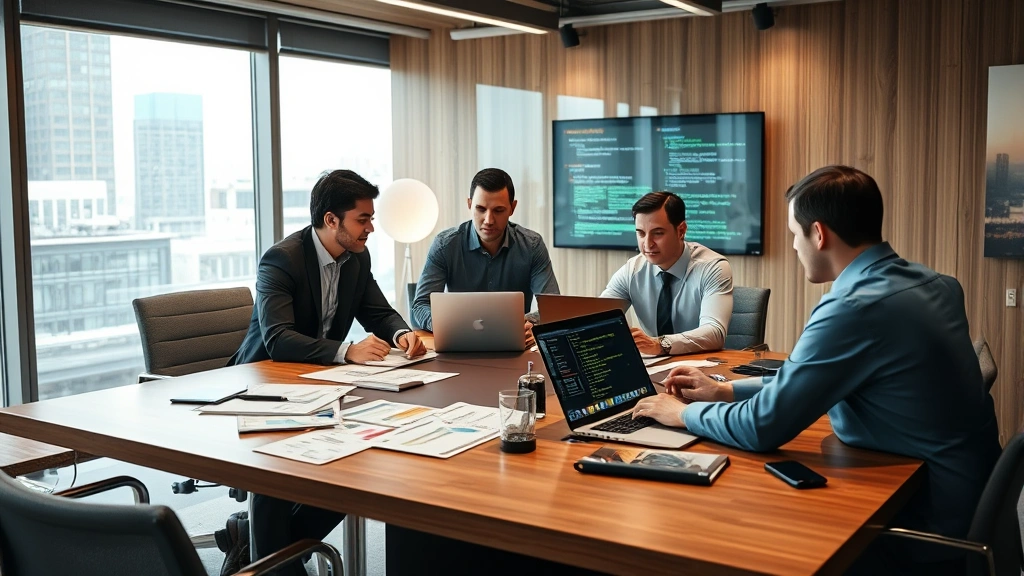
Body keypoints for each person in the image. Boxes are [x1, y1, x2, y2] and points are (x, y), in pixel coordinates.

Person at [632, 166, 1001, 575]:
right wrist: (725, 391)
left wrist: (682, 413)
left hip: (922, 522)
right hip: (971, 497)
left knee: (751, 535)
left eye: (794, 233)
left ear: (819, 234)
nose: (793, 245)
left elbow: (761, 428)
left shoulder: (852, 307)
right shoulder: (937, 284)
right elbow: (810, 377)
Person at [225, 169, 426, 575]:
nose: (371, 228)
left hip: (321, 385)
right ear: (332, 220)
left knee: (354, 467)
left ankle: (257, 547)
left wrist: (402, 333)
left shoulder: (356, 257)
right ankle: (273, 560)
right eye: (363, 219)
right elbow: (279, 339)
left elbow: (378, 311)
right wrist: (347, 351)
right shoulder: (282, 259)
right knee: (275, 477)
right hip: (263, 384)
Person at [411, 168, 559, 344]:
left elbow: (553, 307)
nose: (488, 220)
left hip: (513, 345)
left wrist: (531, 323)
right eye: (480, 209)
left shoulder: (532, 245)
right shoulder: (445, 245)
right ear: (469, 204)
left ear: (512, 208)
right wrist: (447, 325)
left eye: (498, 210)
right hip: (460, 341)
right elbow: (420, 306)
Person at [601, 191, 733, 356]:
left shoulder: (713, 268)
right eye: (641, 233)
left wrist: (660, 344)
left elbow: (714, 333)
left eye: (658, 233)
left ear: (681, 231)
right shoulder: (632, 270)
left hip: (703, 365)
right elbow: (598, 317)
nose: (647, 244)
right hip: (656, 365)